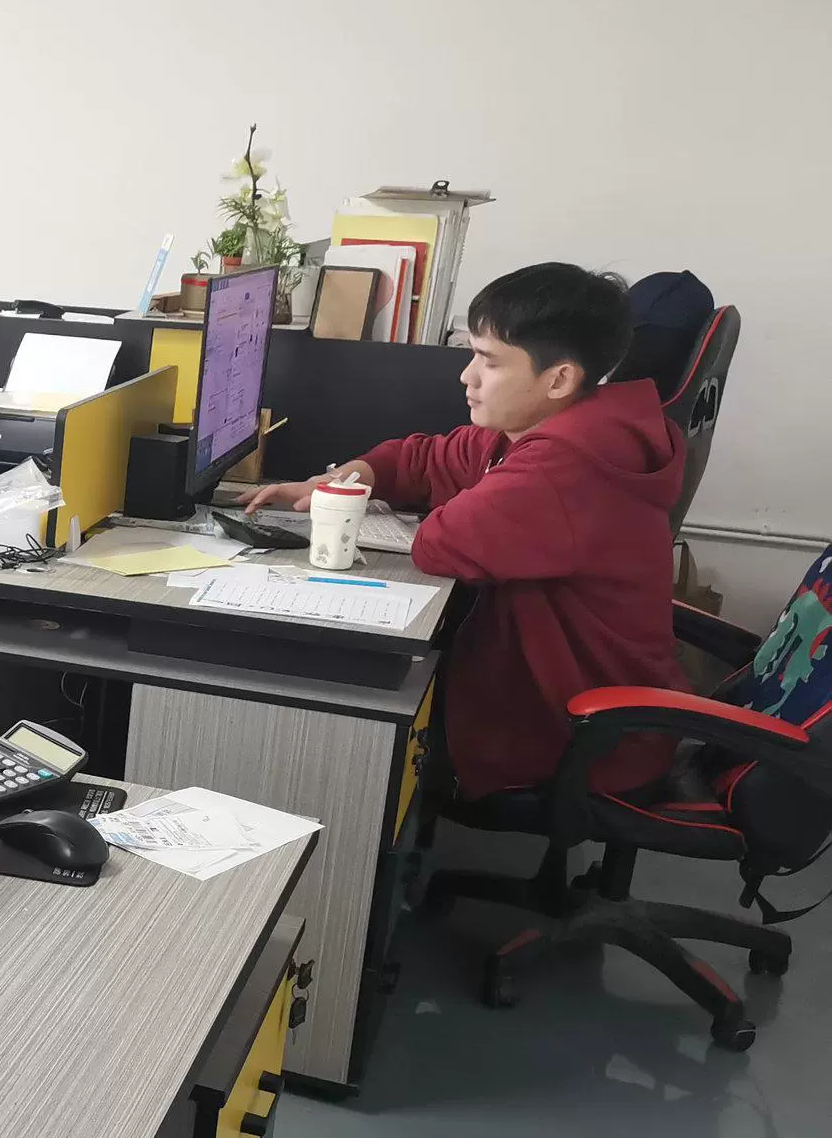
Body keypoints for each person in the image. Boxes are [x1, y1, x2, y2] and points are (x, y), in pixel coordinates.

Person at [245, 263, 684, 798]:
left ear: (559, 379)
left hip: (573, 735)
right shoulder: (558, 423)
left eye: (489, 361)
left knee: (329, 711)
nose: (466, 377)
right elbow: (422, 458)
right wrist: (339, 480)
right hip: (562, 695)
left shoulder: (569, 463)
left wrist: (390, 506)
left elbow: (440, 544)